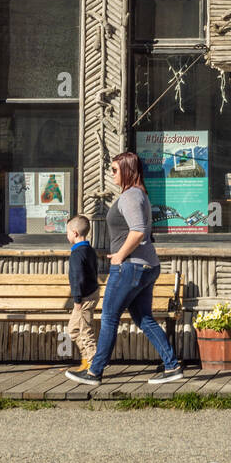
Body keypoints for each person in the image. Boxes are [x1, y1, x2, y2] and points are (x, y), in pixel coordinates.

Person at [66, 151, 185, 386]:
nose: (111, 174)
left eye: (115, 170)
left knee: (110, 317)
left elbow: (138, 230)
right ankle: (172, 366)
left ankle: (94, 372)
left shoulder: (131, 196)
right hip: (146, 266)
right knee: (144, 319)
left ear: (128, 171)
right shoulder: (139, 194)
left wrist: (119, 256)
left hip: (130, 268)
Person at [66, 214, 99, 374]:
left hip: (84, 297)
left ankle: (94, 365)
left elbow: (77, 277)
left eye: (67, 232)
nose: (67, 236)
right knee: (73, 329)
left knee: (86, 331)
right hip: (89, 294)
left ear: (75, 233)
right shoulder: (89, 250)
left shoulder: (77, 254)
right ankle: (86, 359)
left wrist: (78, 298)